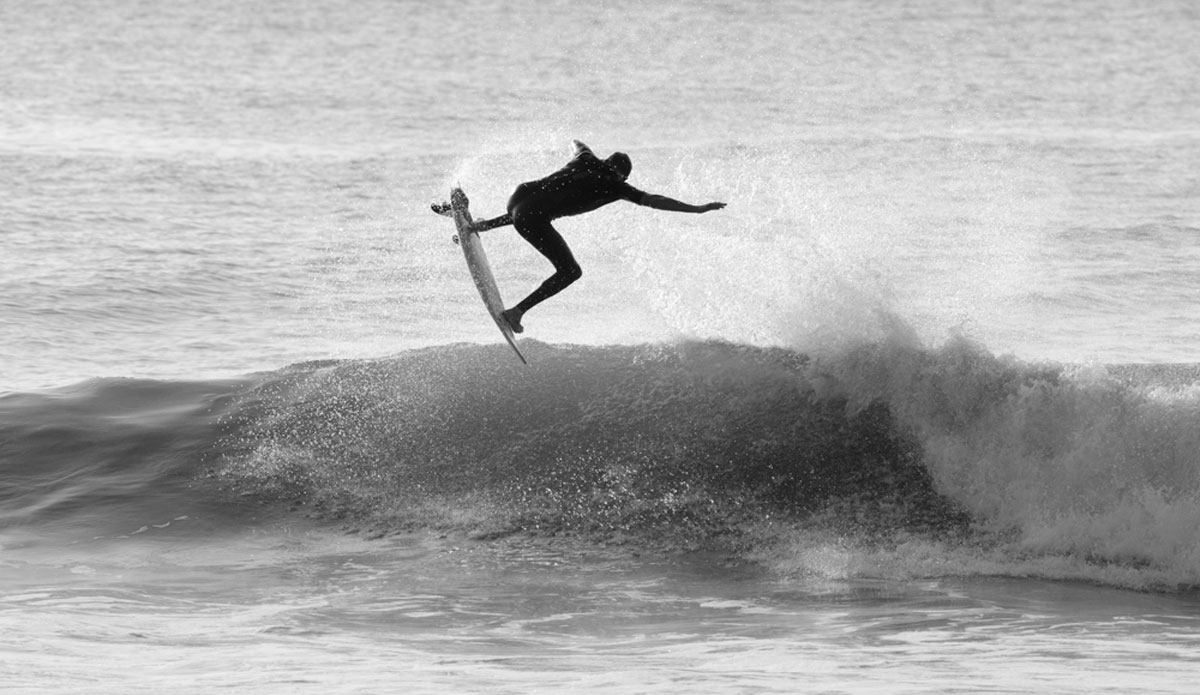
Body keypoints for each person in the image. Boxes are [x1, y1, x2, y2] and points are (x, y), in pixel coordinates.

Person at [433, 140, 726, 334]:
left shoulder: (585, 157)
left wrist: (576, 145)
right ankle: (516, 313)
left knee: (535, 208)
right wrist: (697, 209)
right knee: (571, 271)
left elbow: (578, 143)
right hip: (530, 217)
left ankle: (476, 226)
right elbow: (656, 200)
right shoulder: (617, 186)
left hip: (517, 196)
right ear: (623, 176)